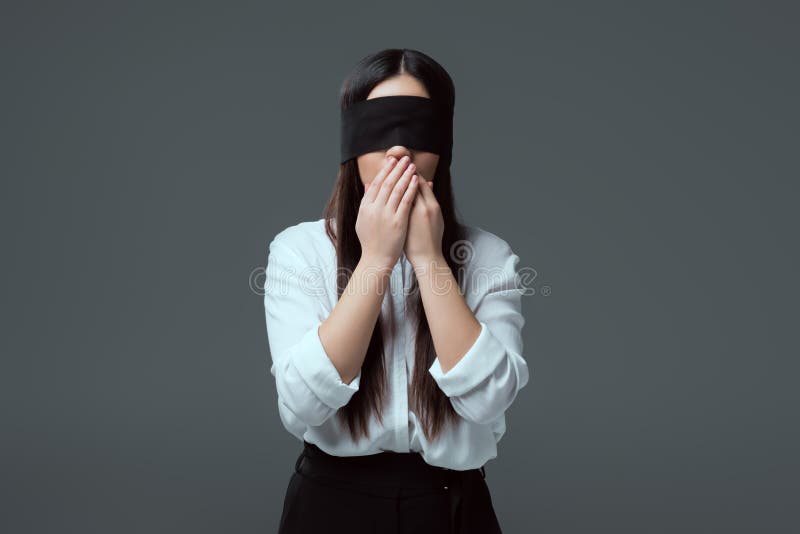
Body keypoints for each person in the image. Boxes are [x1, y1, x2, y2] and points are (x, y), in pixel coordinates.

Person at [263, 48, 529, 534]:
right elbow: (301, 404)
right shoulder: (299, 252)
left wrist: (428, 260)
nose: (398, 151)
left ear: (444, 142)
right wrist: (377, 261)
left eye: (417, 128)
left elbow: (490, 399)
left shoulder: (487, 257)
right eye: (380, 128)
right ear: (351, 141)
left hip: (451, 509)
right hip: (330, 507)